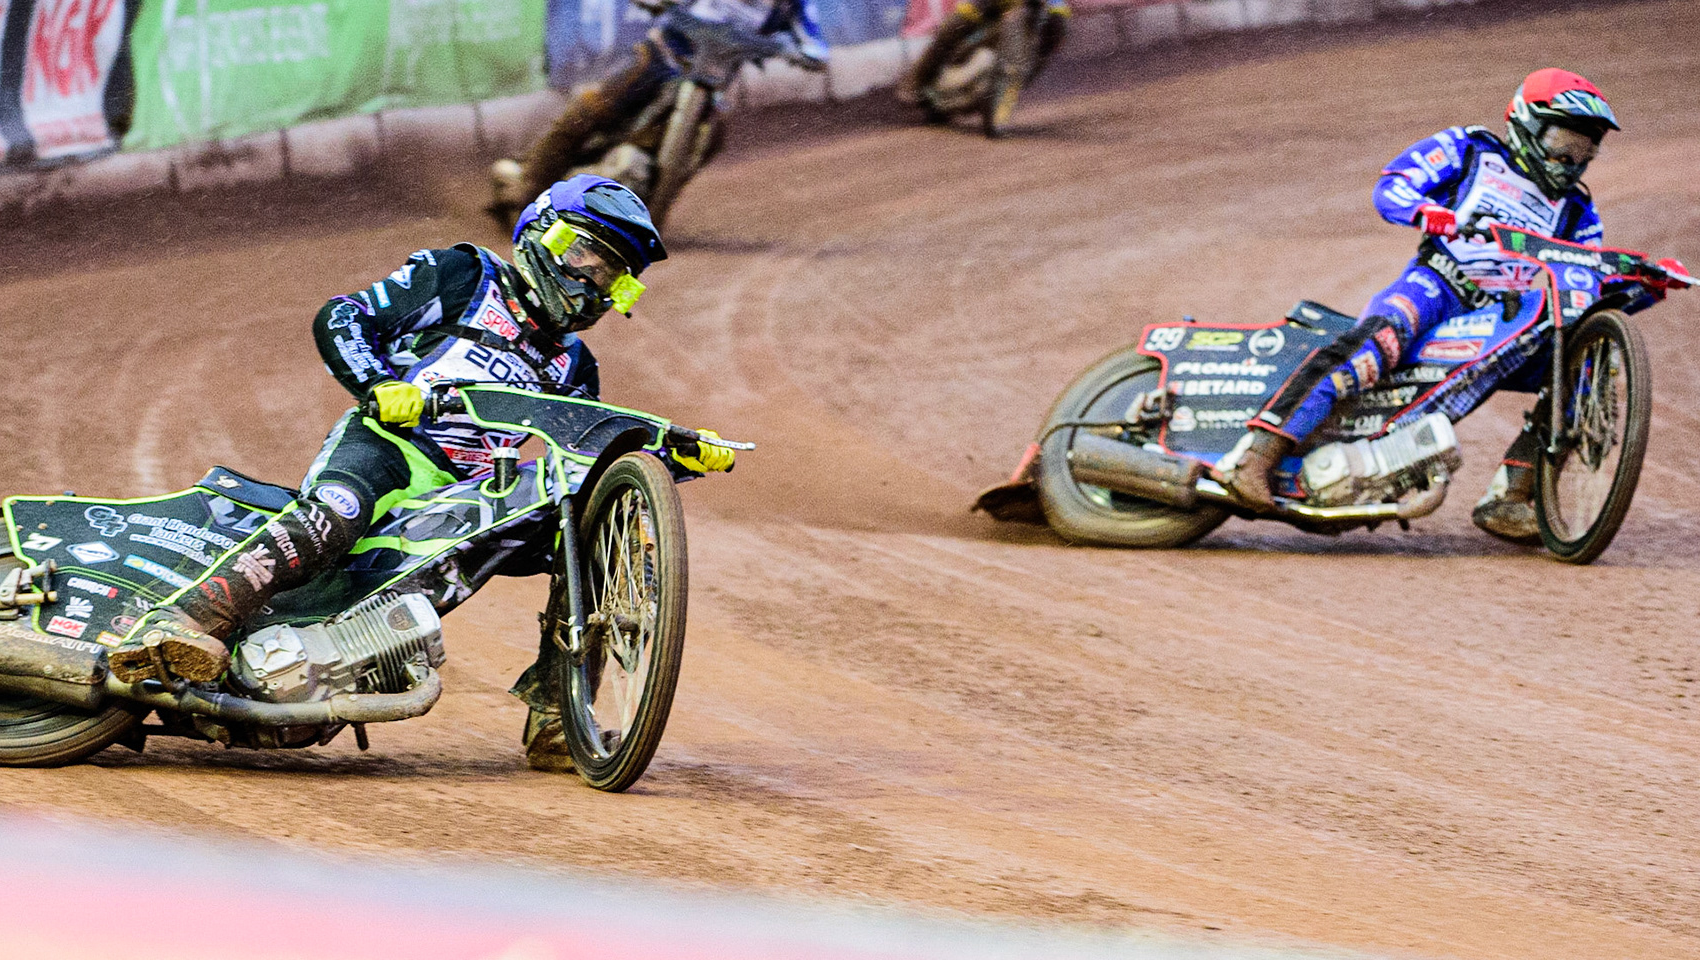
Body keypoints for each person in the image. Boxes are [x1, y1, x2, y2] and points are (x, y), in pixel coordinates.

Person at [105, 176, 734, 768]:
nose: (596, 284)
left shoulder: (576, 367)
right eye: (589, 259)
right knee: (334, 516)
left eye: (616, 278)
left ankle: (556, 718)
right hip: (390, 447)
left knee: (587, 536)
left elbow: (587, 462)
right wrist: (378, 385)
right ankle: (184, 623)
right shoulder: (463, 275)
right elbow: (344, 317)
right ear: (543, 234)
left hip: (472, 498)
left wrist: (670, 458)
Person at [1217, 68, 1687, 542]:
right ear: (1525, 123)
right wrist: (1429, 212)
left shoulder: (1577, 211)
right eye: (1562, 142)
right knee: (1378, 341)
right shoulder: (1471, 150)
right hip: (1437, 284)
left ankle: (1513, 495)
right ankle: (1258, 453)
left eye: (1585, 151)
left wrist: (1641, 281)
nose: (1571, 161)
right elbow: (1394, 185)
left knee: (1581, 368)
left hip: (1505, 316)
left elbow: (1583, 277)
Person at [491, 0, 828, 218]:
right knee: (592, 110)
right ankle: (528, 185)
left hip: (712, 85)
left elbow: (815, 42)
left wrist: (806, 53)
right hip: (661, 58)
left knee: (712, 138)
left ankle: (648, 208)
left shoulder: (793, 5)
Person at [894, 0, 1070, 111]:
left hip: (1037, 8)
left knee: (1058, 28)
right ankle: (918, 81)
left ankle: (1019, 78)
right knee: (955, 25)